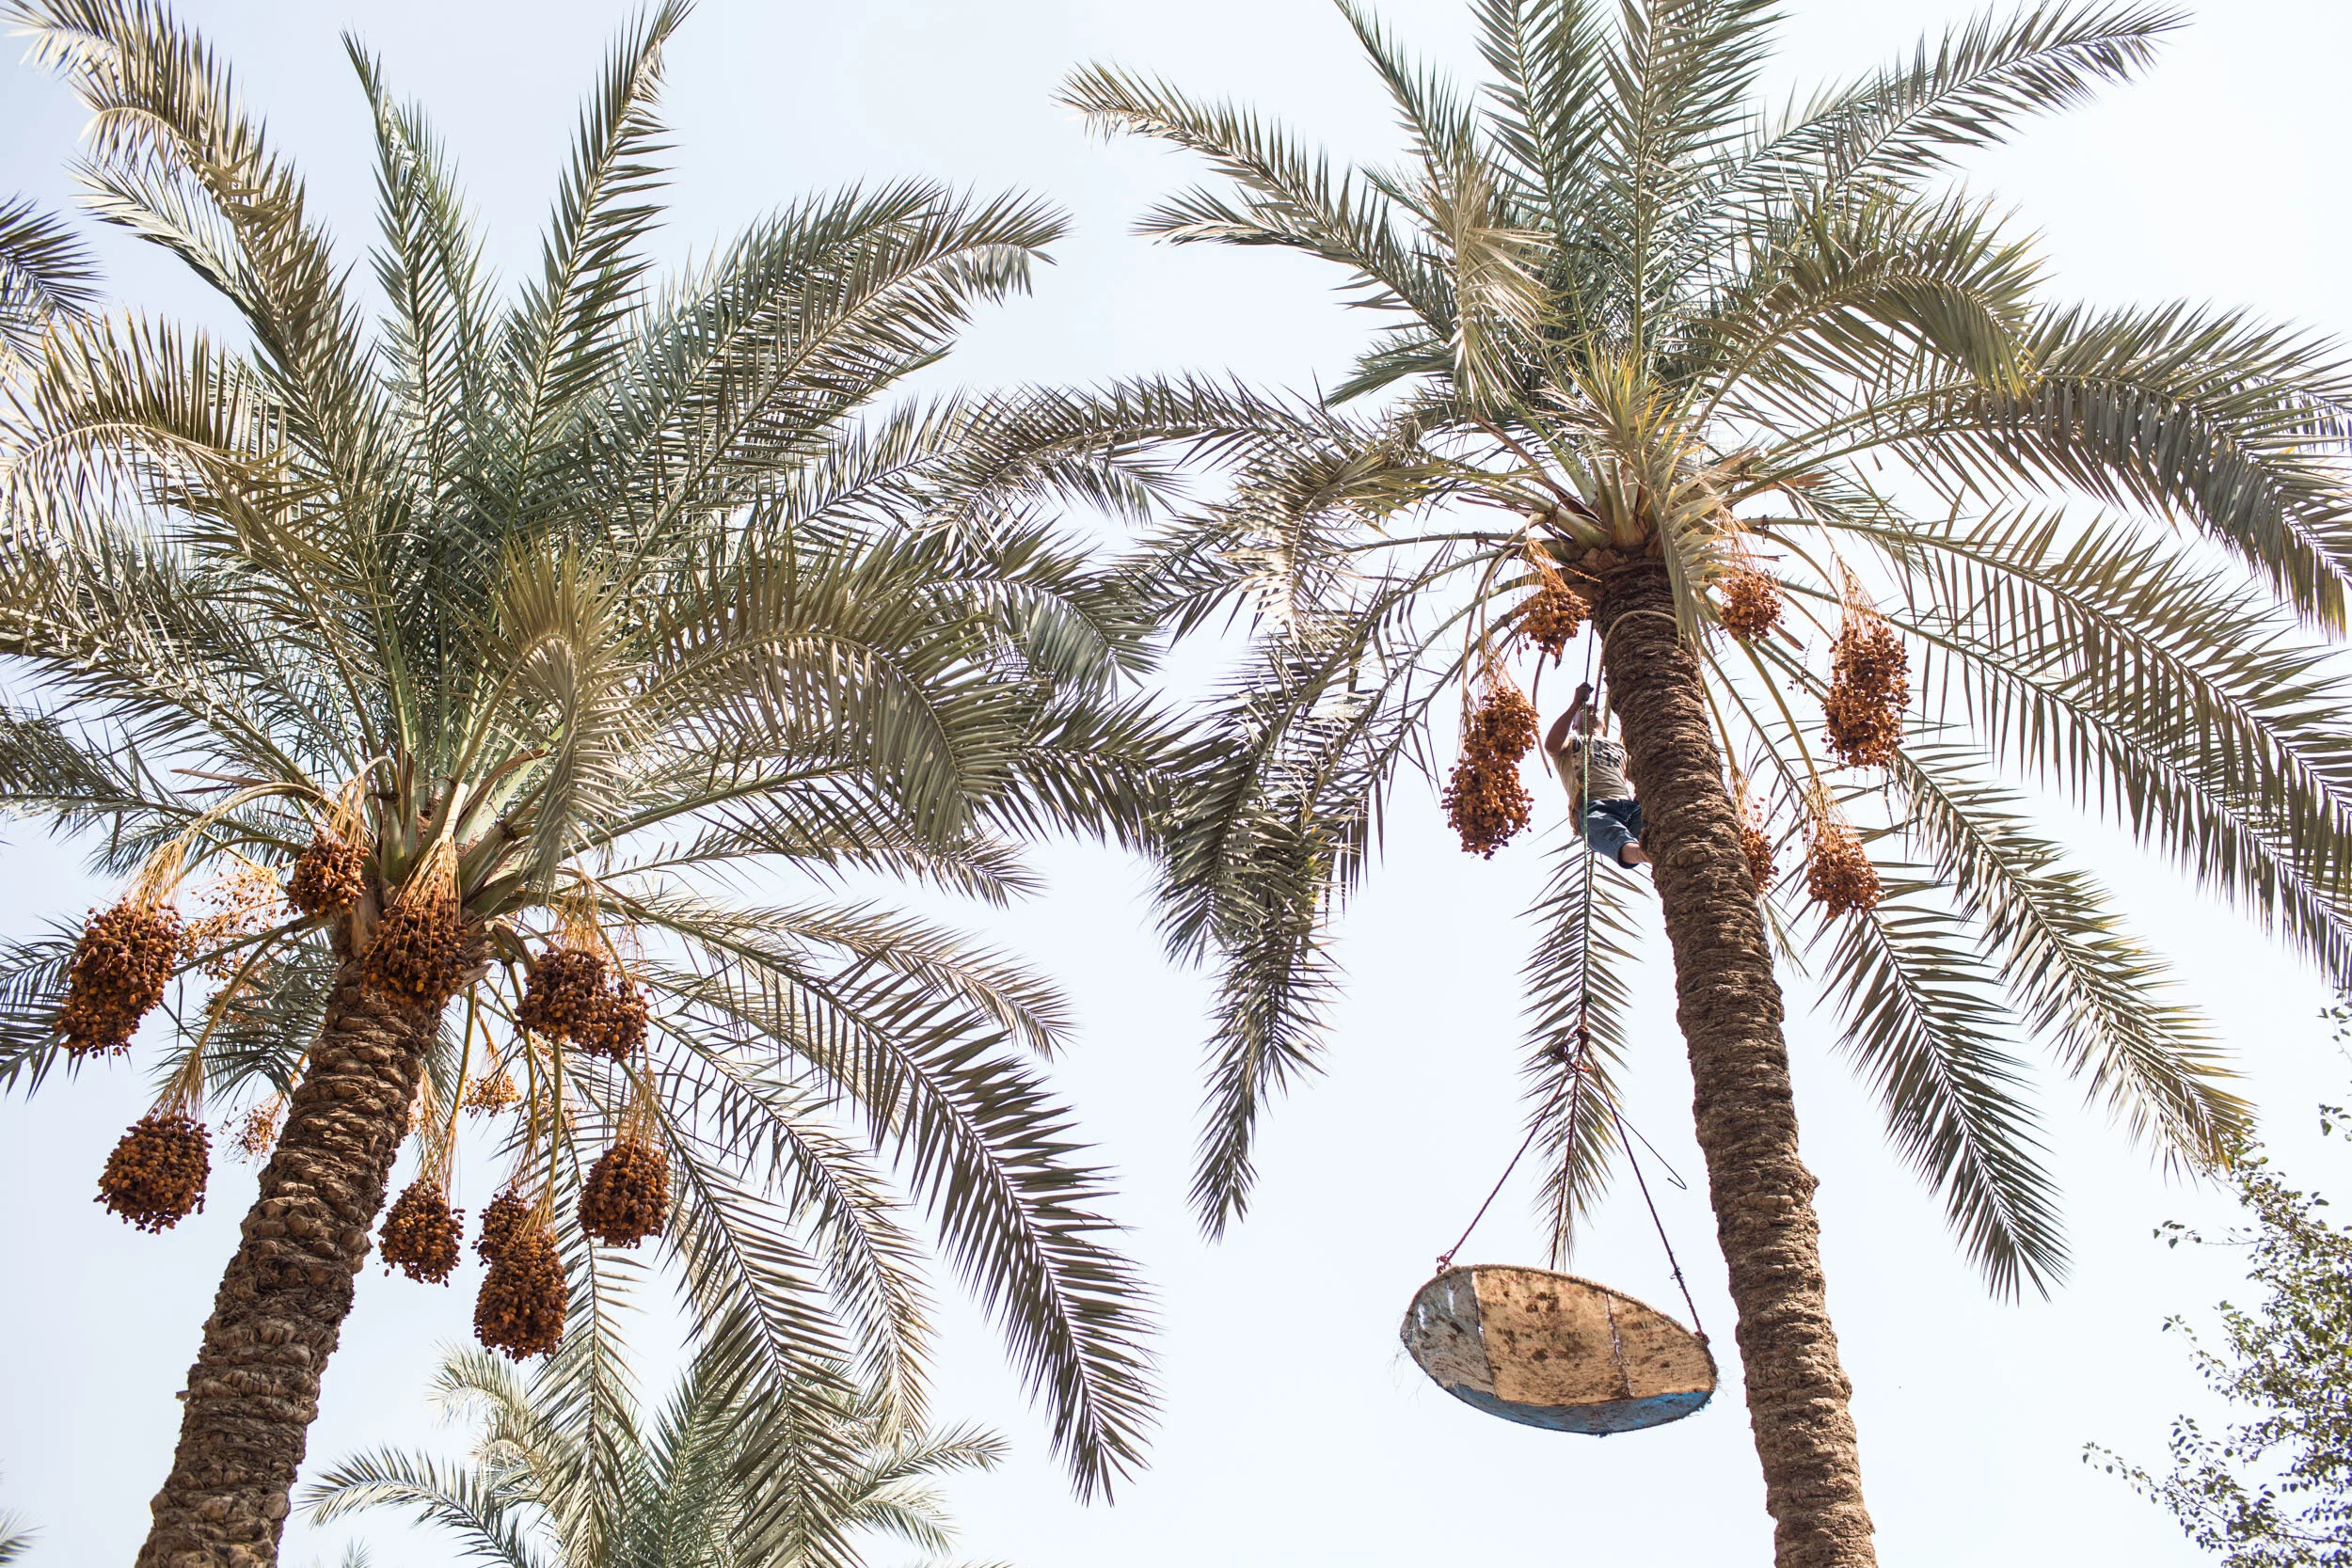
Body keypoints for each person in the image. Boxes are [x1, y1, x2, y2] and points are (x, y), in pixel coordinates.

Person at [1545, 683, 1649, 869]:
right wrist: (1575, 705)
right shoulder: (1570, 742)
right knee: (1606, 830)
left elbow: (1643, 777)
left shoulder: (1619, 748)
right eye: (1583, 711)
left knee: (1656, 831)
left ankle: (1655, 851)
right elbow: (1551, 745)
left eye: (1596, 710)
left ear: (1604, 724)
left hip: (1630, 806)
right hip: (1595, 806)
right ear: (1574, 725)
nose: (1590, 711)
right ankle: (1643, 853)